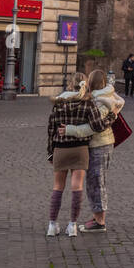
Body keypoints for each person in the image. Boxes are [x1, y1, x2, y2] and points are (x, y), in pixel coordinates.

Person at [46, 75, 114, 236]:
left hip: (60, 149)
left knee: (58, 187)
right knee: (77, 187)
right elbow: (97, 126)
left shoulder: (58, 104)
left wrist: (50, 152)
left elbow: (50, 130)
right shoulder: (88, 103)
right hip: (80, 149)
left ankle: (52, 225)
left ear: (70, 84)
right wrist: (111, 117)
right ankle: (72, 226)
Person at [58, 68, 123, 234]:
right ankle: (97, 216)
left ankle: (100, 221)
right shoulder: (104, 96)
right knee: (94, 181)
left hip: (100, 144)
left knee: (96, 181)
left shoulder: (100, 101)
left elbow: (93, 128)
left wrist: (70, 130)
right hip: (101, 144)